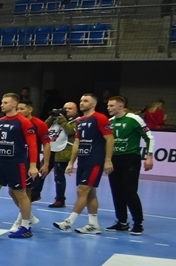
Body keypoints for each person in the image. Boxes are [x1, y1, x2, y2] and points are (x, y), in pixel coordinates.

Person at [56, 94, 112, 235]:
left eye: (85, 101)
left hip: (95, 160)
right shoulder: (79, 121)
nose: (82, 103)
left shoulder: (100, 118)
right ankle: (93, 225)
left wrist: (107, 160)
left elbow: (110, 139)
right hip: (83, 160)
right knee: (90, 193)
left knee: (82, 190)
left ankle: (68, 222)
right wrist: (71, 162)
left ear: (93, 104)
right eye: (81, 100)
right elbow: (77, 142)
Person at [0, 92, 39, 239]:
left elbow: (33, 145)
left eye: (5, 102)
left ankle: (25, 226)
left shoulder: (24, 122)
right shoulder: (0, 121)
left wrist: (33, 165)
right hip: (0, 162)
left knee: (21, 194)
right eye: (2, 102)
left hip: (16, 162)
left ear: (14, 104)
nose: (2, 105)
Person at [106, 95, 153, 233]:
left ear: (120, 106)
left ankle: (138, 222)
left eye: (111, 105)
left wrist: (149, 157)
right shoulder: (110, 122)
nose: (108, 108)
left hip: (130, 158)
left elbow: (149, 137)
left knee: (129, 191)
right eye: (108, 105)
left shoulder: (134, 119)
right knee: (116, 191)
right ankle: (122, 222)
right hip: (114, 160)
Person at [45, 102, 78, 208]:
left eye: (70, 108)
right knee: (41, 172)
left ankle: (60, 199)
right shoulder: (56, 119)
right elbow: (44, 127)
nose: (66, 110)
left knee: (58, 177)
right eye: (65, 108)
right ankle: (35, 193)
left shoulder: (77, 121)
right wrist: (52, 116)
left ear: (75, 111)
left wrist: (62, 120)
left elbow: (71, 131)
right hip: (51, 149)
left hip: (64, 151)